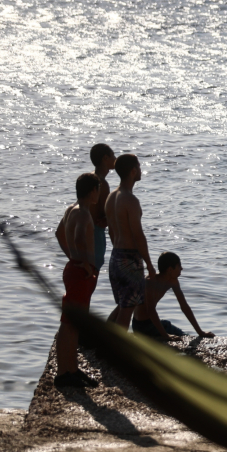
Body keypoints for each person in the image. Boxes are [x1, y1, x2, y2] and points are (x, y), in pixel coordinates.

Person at [53, 172, 101, 389]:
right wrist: (85, 264)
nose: (99, 194)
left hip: (73, 268)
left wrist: (72, 257)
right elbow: (81, 236)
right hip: (80, 273)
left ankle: (71, 369)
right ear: (92, 191)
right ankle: (64, 373)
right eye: (98, 189)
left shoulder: (70, 209)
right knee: (70, 324)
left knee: (73, 324)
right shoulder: (83, 213)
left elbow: (59, 233)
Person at [105, 153, 156, 330]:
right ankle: (118, 352)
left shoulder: (111, 197)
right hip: (129, 259)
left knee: (123, 305)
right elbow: (138, 235)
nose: (141, 170)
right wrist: (149, 264)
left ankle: (102, 341)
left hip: (115, 256)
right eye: (139, 167)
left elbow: (111, 230)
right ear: (133, 171)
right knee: (127, 310)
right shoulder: (130, 200)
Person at [132, 252, 215, 341]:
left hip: (154, 323)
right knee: (180, 337)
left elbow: (184, 307)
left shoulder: (173, 281)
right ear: (170, 269)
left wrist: (200, 332)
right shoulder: (150, 282)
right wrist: (166, 335)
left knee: (185, 336)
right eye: (179, 266)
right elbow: (151, 310)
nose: (182, 268)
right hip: (142, 326)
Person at [89, 144, 116, 273]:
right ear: (105, 158)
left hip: (87, 232)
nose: (115, 158)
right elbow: (105, 215)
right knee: (93, 273)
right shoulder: (102, 184)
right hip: (96, 234)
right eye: (113, 155)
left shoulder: (90, 178)